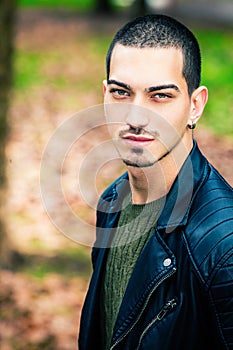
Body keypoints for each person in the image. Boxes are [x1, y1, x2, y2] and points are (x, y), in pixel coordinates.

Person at [78, 14, 233, 350]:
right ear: (104, 94)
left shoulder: (224, 246)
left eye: (159, 96)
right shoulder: (113, 201)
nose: (135, 117)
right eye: (121, 93)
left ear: (195, 105)